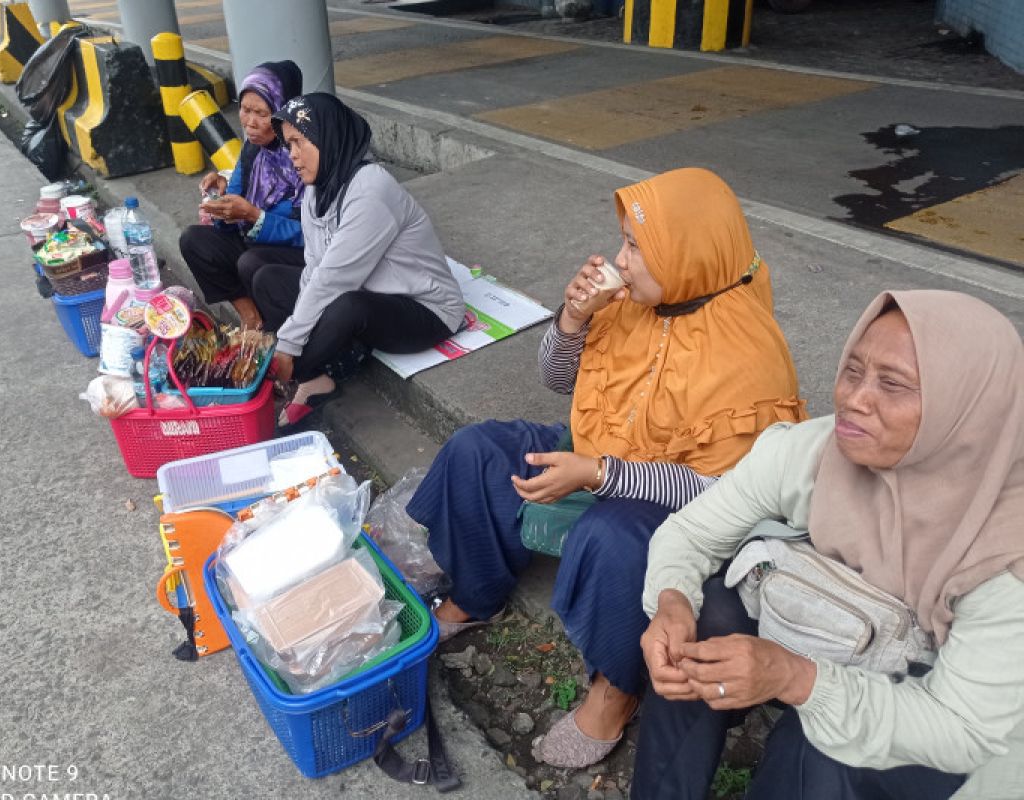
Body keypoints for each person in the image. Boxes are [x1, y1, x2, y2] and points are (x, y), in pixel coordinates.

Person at [405, 168, 809, 769]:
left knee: (612, 537)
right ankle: (474, 593)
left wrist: (601, 475)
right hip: (601, 450)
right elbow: (558, 380)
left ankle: (614, 690)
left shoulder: (747, 356)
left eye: (636, 247)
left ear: (685, 254)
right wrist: (572, 319)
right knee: (478, 449)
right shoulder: (632, 303)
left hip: (680, 502)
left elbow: (723, 490)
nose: (619, 259)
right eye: (623, 240)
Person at [632, 290, 1024, 800]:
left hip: (955, 718)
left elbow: (962, 729)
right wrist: (671, 601)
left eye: (892, 384)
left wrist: (796, 679)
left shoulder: (1007, 553)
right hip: (846, 635)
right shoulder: (815, 452)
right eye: (853, 370)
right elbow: (691, 532)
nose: (853, 398)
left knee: (819, 748)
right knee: (700, 633)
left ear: (965, 406)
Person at [264, 93, 465, 428]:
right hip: (369, 293)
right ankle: (314, 377)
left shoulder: (372, 188)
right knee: (268, 278)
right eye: (288, 145)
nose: (293, 156)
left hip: (425, 309)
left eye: (299, 142)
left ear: (327, 135)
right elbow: (315, 266)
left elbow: (335, 277)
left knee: (347, 306)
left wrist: (288, 347)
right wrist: (293, 337)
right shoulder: (317, 188)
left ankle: (290, 376)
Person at [178, 60, 305, 330]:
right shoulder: (253, 150)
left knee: (251, 262)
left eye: (261, 112)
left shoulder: (304, 154)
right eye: (245, 110)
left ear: (284, 111)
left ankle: (280, 328)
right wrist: (219, 204)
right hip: (254, 238)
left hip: (296, 254)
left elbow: (311, 232)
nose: (249, 122)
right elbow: (234, 200)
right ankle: (250, 314)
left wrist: (254, 216)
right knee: (193, 240)